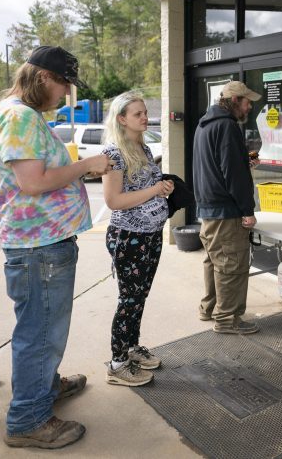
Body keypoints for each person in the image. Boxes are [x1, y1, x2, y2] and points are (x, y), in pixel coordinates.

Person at [0, 46, 112, 449]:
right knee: (41, 333)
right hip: (38, 247)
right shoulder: (19, 115)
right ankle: (28, 419)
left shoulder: (23, 114)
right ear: (43, 77)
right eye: (63, 83)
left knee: (43, 328)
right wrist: (88, 165)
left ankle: (44, 386)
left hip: (43, 244)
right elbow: (34, 182)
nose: (64, 93)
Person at [101, 92, 173, 387]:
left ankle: (131, 348)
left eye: (145, 112)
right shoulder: (114, 154)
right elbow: (114, 200)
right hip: (128, 237)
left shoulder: (141, 147)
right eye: (138, 114)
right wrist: (155, 190)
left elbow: (145, 187)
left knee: (139, 297)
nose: (145, 117)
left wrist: (164, 187)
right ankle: (117, 363)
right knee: (129, 299)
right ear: (122, 119)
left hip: (149, 235)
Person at [193, 80, 261, 334]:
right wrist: (247, 210)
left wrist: (243, 162)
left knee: (214, 260)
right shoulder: (227, 126)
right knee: (231, 264)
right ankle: (227, 319)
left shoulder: (205, 125)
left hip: (208, 207)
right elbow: (233, 174)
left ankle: (209, 308)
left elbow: (218, 166)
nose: (250, 106)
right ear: (234, 101)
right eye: (246, 101)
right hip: (225, 209)